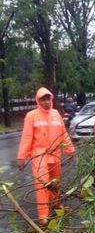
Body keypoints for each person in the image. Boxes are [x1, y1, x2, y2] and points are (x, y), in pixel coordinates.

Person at [17, 87, 75, 225]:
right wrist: (21, 157)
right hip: (40, 157)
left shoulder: (56, 114)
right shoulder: (32, 116)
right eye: (43, 99)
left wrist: (70, 150)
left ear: (52, 99)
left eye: (48, 98)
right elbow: (27, 137)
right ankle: (43, 215)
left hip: (55, 155)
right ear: (38, 100)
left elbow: (63, 134)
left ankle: (55, 205)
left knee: (55, 183)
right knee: (42, 185)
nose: (47, 101)